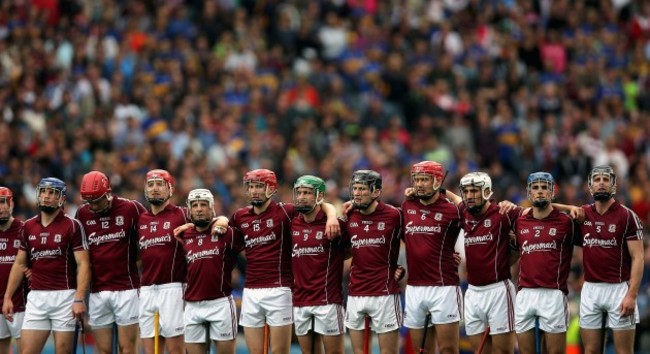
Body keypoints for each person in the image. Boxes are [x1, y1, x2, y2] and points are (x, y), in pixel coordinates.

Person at [228, 168, 340, 354]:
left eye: (258, 186)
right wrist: (221, 221)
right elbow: (230, 241)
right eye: (251, 186)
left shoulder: (286, 211)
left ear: (271, 189)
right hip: (250, 290)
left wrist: (332, 216)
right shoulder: (240, 216)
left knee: (279, 352)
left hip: (280, 289)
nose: (254, 191)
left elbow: (321, 204)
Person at [2, 177, 90, 354]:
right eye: (43, 191)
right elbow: (19, 263)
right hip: (36, 299)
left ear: (62, 199)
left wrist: (79, 298)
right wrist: (8, 297)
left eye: (52, 193)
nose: (46, 196)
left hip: (65, 297)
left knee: (63, 352)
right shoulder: (27, 226)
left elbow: (83, 264)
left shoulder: (73, 226)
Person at [76, 171, 147, 354]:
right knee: (104, 351)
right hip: (97, 292)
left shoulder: (131, 208)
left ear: (108, 192)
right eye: (88, 201)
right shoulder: (82, 214)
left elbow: (150, 236)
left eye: (96, 200)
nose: (92, 206)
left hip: (127, 290)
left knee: (127, 349)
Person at [576, 165, 644, 354]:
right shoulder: (582, 214)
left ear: (614, 185)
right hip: (590, 289)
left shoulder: (627, 216)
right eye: (597, 180)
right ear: (590, 186)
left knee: (624, 351)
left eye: (606, 180)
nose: (601, 183)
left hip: (619, 290)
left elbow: (638, 257)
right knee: (591, 351)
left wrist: (632, 295)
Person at [401, 161, 462, 354]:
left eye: (424, 180)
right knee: (422, 350)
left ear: (437, 181)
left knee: (448, 349)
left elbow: (471, 212)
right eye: (417, 179)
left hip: (443, 287)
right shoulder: (407, 206)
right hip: (414, 288)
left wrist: (445, 192)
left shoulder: (452, 210)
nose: (418, 184)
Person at [456, 171, 521, 354]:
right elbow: (454, 199)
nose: (469, 196)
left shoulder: (503, 213)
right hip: (473, 292)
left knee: (503, 351)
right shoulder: (464, 212)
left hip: (499, 290)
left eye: (474, 191)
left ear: (486, 192)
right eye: (466, 191)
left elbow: (534, 215)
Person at [512, 172, 576, 354]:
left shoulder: (566, 222)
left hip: (553, 295)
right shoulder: (519, 220)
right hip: (525, 294)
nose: (539, 191)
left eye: (544, 188)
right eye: (535, 187)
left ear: (552, 192)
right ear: (529, 192)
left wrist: (568, 206)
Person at [344, 170, 403, 354]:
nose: (357, 193)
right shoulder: (349, 216)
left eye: (362, 189)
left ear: (376, 192)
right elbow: (344, 252)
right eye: (355, 189)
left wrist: (401, 268)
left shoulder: (395, 216)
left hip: (384, 294)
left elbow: (417, 242)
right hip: (355, 293)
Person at [178, 188, 243, 354]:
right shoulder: (183, 234)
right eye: (195, 205)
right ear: (189, 209)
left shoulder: (226, 233)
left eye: (203, 205)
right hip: (192, 305)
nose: (199, 208)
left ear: (212, 207)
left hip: (220, 303)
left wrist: (223, 220)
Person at [291, 175, 347, 354]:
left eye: (307, 193)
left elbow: (355, 251)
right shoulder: (291, 222)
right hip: (300, 301)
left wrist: (331, 214)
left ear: (319, 196)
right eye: (299, 192)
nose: (301, 196)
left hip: (328, 301)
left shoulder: (334, 225)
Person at [137, 169, 190, 354]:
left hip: (173, 288)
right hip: (146, 290)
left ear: (170, 189)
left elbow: (212, 222)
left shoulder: (183, 214)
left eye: (160, 184)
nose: (155, 189)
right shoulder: (141, 219)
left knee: (176, 350)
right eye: (151, 185)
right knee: (150, 350)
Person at [0, 187, 26, 354]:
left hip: (21, 304)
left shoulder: (24, 230)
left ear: (12, 204)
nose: (0, 207)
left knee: (27, 350)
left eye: (3, 202)